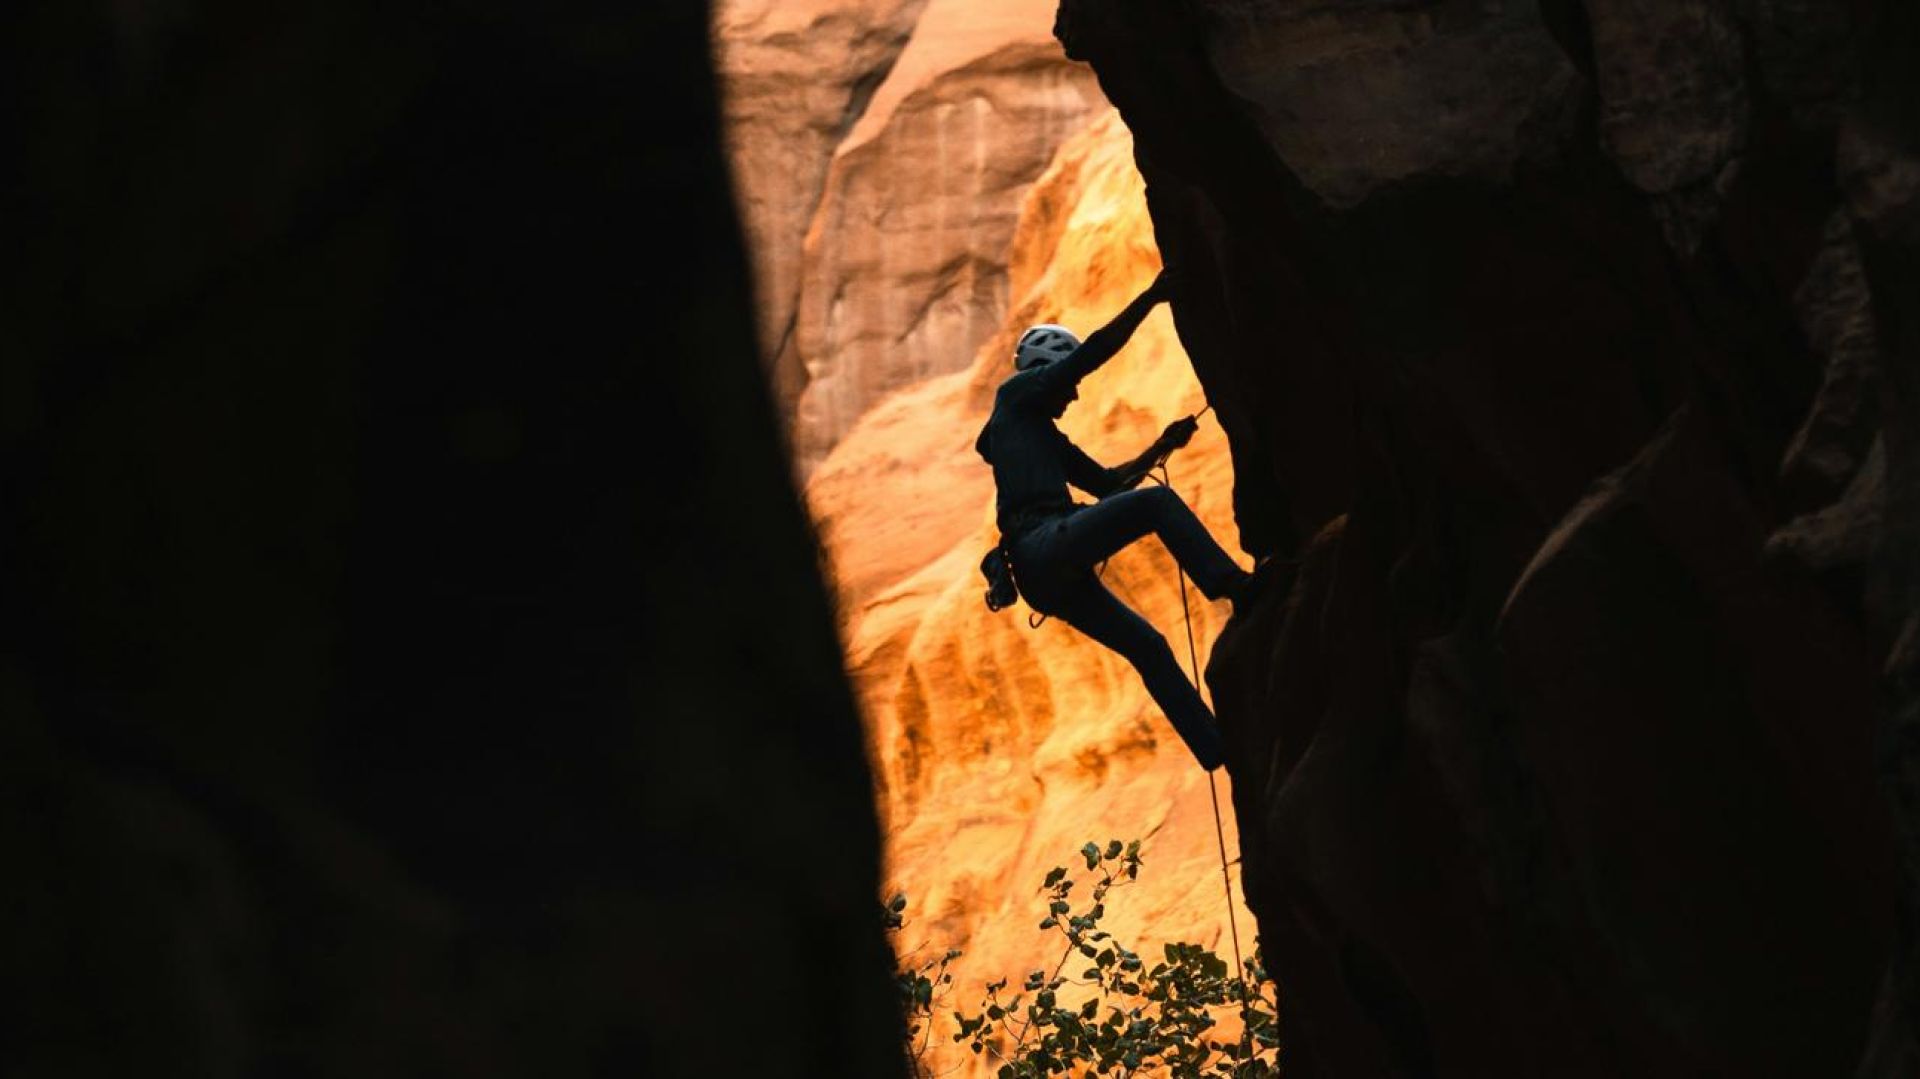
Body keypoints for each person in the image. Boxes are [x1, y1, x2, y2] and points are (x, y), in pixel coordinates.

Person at [973, 267, 1255, 771]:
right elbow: (1092, 355)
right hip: (1042, 543)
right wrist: (1150, 298)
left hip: (1041, 569)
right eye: (1065, 381)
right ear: (1044, 369)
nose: (1074, 394)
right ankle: (1235, 587)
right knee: (1156, 504)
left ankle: (1220, 753)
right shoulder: (1014, 397)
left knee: (1148, 646)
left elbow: (1106, 485)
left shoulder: (1034, 432)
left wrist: (1162, 446)